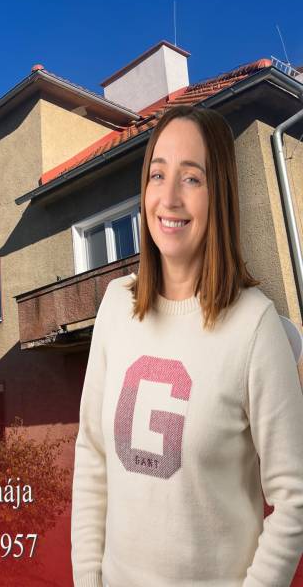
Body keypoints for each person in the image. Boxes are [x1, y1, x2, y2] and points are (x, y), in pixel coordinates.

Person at [70, 104, 303, 587]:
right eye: (158, 175)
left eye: (192, 178)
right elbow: (92, 454)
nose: (169, 198)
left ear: (220, 193)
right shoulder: (116, 306)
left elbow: (295, 497)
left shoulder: (255, 326)